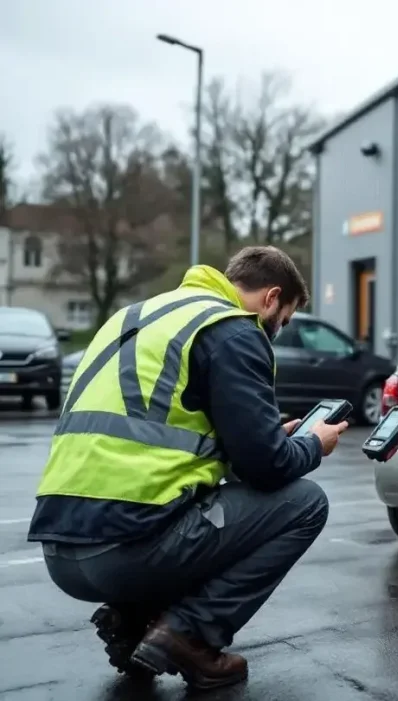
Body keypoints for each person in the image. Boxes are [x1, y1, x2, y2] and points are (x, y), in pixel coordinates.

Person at [26, 246, 349, 690]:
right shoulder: (234, 330)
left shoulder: (138, 316)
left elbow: (160, 430)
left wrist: (263, 431)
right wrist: (314, 444)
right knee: (305, 503)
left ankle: (134, 622)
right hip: (124, 552)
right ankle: (188, 635)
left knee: (192, 500)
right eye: (285, 320)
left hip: (61, 552)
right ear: (272, 298)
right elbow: (269, 469)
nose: (278, 330)